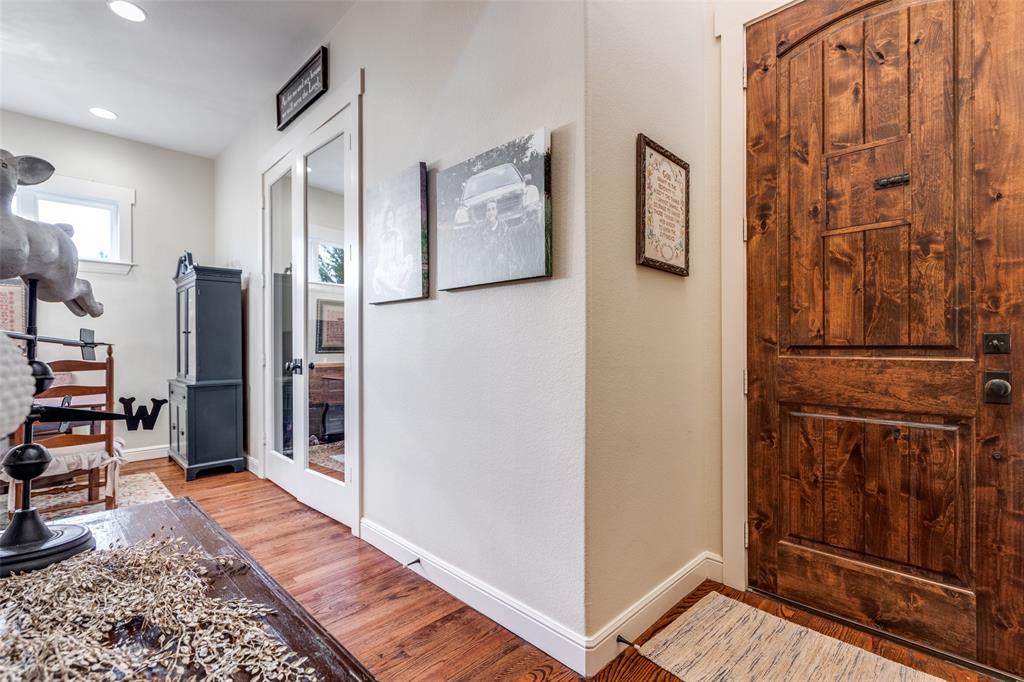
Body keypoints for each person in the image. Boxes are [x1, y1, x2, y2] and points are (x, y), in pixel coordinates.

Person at [372, 206, 415, 298]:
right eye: (387, 218)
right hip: (384, 272)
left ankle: (395, 288)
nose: (389, 221)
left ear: (393, 219)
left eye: (391, 218)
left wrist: (398, 236)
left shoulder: (397, 234)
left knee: (410, 258)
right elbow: (381, 258)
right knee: (377, 275)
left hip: (394, 269)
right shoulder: (382, 237)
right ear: (384, 220)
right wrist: (380, 271)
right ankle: (397, 291)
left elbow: (399, 258)